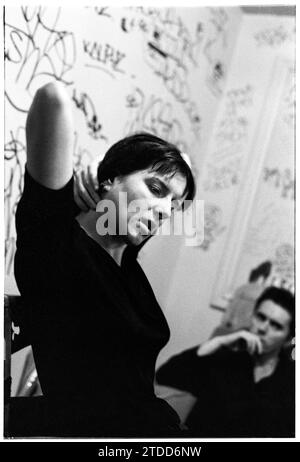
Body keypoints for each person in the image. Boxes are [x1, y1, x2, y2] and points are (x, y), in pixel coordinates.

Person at [12, 81, 196, 437]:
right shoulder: (57, 245)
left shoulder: (125, 260)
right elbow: (53, 98)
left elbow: (184, 164)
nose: (164, 211)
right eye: (156, 190)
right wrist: (99, 172)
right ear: (109, 179)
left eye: (173, 205)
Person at [156, 287, 295, 437]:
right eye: (261, 317)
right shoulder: (226, 359)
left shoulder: (291, 380)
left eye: (276, 326)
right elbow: (166, 375)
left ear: (287, 339)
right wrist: (218, 342)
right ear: (252, 316)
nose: (263, 328)